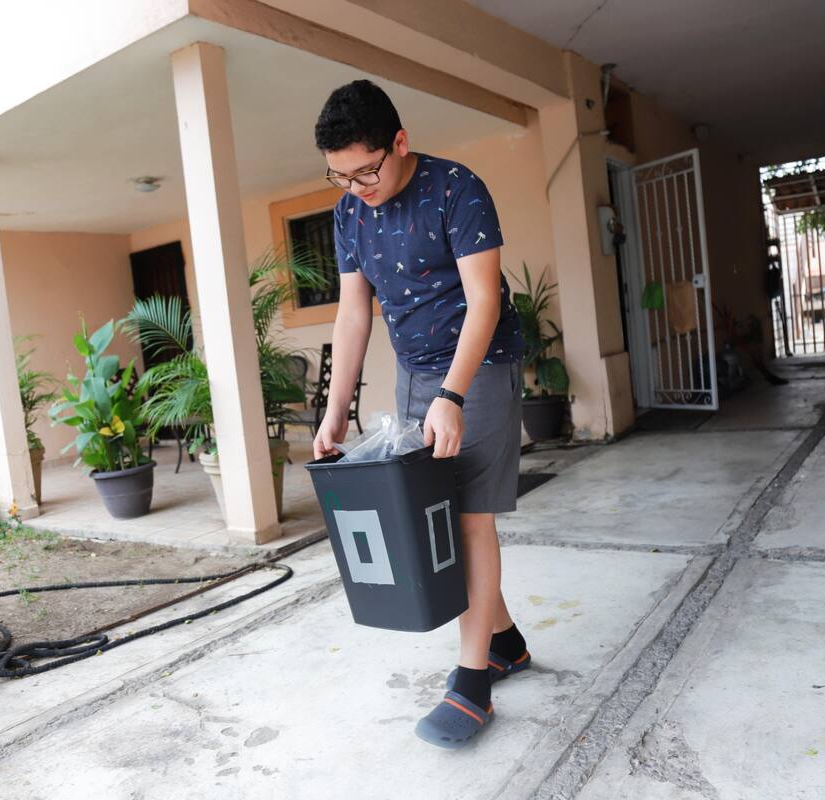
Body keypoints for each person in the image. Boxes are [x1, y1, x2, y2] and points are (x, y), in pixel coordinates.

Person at [311, 79, 530, 748]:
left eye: (366, 170)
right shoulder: (350, 214)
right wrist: (336, 410)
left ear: (399, 143)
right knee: (424, 512)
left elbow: (483, 301)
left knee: (468, 517)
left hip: (480, 366)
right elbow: (353, 313)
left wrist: (454, 395)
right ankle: (506, 641)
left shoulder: (457, 189)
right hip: (413, 373)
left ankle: (472, 683)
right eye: (340, 177)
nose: (356, 186)